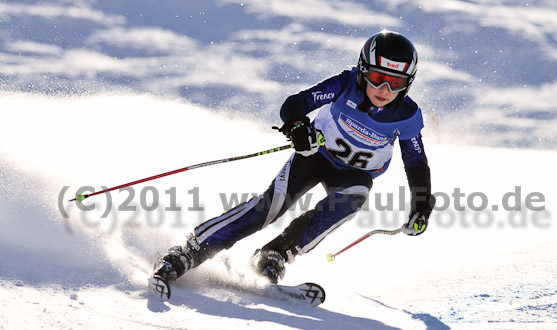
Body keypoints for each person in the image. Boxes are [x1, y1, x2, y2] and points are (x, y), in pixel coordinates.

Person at [153, 30, 435, 284]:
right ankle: (192, 249)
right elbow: (295, 104)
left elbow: (415, 162)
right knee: (269, 208)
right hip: (316, 155)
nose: (385, 90)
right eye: (377, 79)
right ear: (363, 71)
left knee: (351, 200)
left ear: (407, 84)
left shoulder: (407, 115)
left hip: (353, 174)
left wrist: (421, 205)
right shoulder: (345, 84)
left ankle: (275, 253)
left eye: (395, 83)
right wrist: (298, 127)